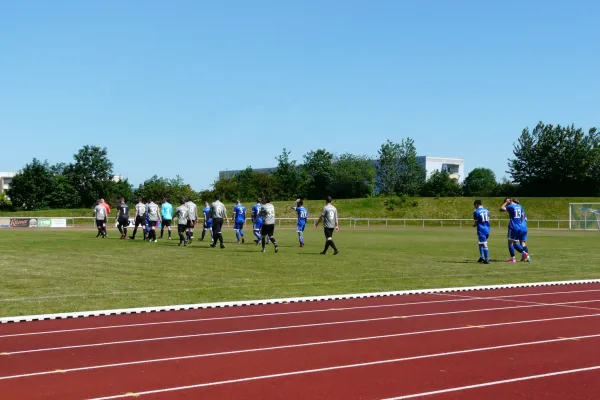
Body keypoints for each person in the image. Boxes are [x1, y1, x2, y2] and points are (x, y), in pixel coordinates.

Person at [500, 198, 531, 263]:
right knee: (516, 243)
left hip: (513, 226)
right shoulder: (520, 206)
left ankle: (513, 258)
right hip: (521, 226)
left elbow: (501, 208)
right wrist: (520, 223)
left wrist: (505, 202)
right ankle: (525, 254)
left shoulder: (510, 206)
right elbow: (523, 216)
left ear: (509, 201)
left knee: (510, 242)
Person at [473, 200, 491, 264]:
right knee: (480, 242)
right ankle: (482, 256)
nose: (475, 207)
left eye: (475, 205)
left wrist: (474, 225)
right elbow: (488, 220)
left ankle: (487, 259)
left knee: (484, 244)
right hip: (487, 228)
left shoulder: (476, 211)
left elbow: (476, 221)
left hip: (481, 229)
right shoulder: (487, 211)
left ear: (477, 204)